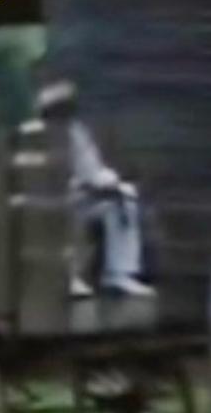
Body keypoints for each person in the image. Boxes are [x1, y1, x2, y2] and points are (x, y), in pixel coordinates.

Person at [37, 78, 153, 300]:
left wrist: (111, 184)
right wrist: (104, 186)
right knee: (118, 202)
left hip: (75, 195)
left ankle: (118, 274)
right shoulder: (51, 135)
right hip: (61, 197)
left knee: (123, 199)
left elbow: (91, 169)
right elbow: (75, 173)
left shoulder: (75, 131)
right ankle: (104, 274)